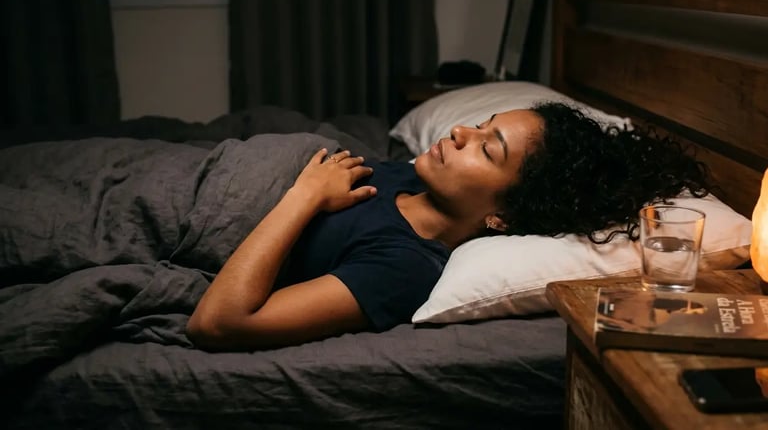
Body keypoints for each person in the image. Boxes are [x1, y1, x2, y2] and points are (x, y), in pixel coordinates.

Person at [186, 101, 709, 351]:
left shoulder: (404, 266)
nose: (460, 132)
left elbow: (218, 324)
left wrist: (302, 196)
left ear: (502, 216)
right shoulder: (404, 176)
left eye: (488, 147)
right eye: (482, 125)